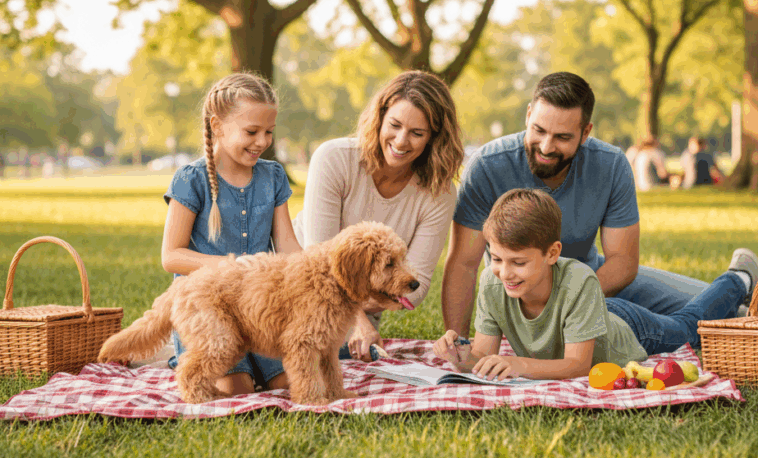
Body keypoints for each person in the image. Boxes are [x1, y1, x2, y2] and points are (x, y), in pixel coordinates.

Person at [441, 71, 710, 338]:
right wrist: (458, 340)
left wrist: (570, 302)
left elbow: (623, 261)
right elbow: (464, 263)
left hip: (592, 282)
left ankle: (741, 280)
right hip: (521, 295)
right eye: (539, 130)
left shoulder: (611, 164)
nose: (546, 147)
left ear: (585, 133)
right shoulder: (488, 166)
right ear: (528, 115)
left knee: (718, 305)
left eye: (562, 137)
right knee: (658, 327)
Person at [433, 189, 758, 381]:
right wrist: (459, 355)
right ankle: (735, 311)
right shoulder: (492, 282)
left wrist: (520, 364)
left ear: (552, 253)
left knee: (688, 328)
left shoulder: (578, 281)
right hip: (586, 318)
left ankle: (739, 277)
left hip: (625, 331)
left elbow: (578, 365)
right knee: (709, 323)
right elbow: (482, 355)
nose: (505, 272)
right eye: (497, 258)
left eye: (518, 262)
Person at [293, 71, 464, 361]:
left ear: (434, 138)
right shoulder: (335, 159)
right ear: (380, 119)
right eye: (394, 125)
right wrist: (358, 319)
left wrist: (358, 313)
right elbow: (318, 260)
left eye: (417, 133)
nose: (401, 141)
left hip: (359, 305)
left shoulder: (440, 193)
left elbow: (416, 284)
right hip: (299, 285)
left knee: (336, 358)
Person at [162, 72, 303, 396]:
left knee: (292, 383)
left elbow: (287, 245)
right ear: (217, 126)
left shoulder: (273, 176)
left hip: (261, 311)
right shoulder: (191, 179)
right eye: (252, 131)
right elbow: (171, 256)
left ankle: (257, 362)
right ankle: (184, 354)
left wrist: (313, 275)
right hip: (209, 311)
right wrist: (234, 266)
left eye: (269, 131)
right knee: (237, 390)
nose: (262, 142)